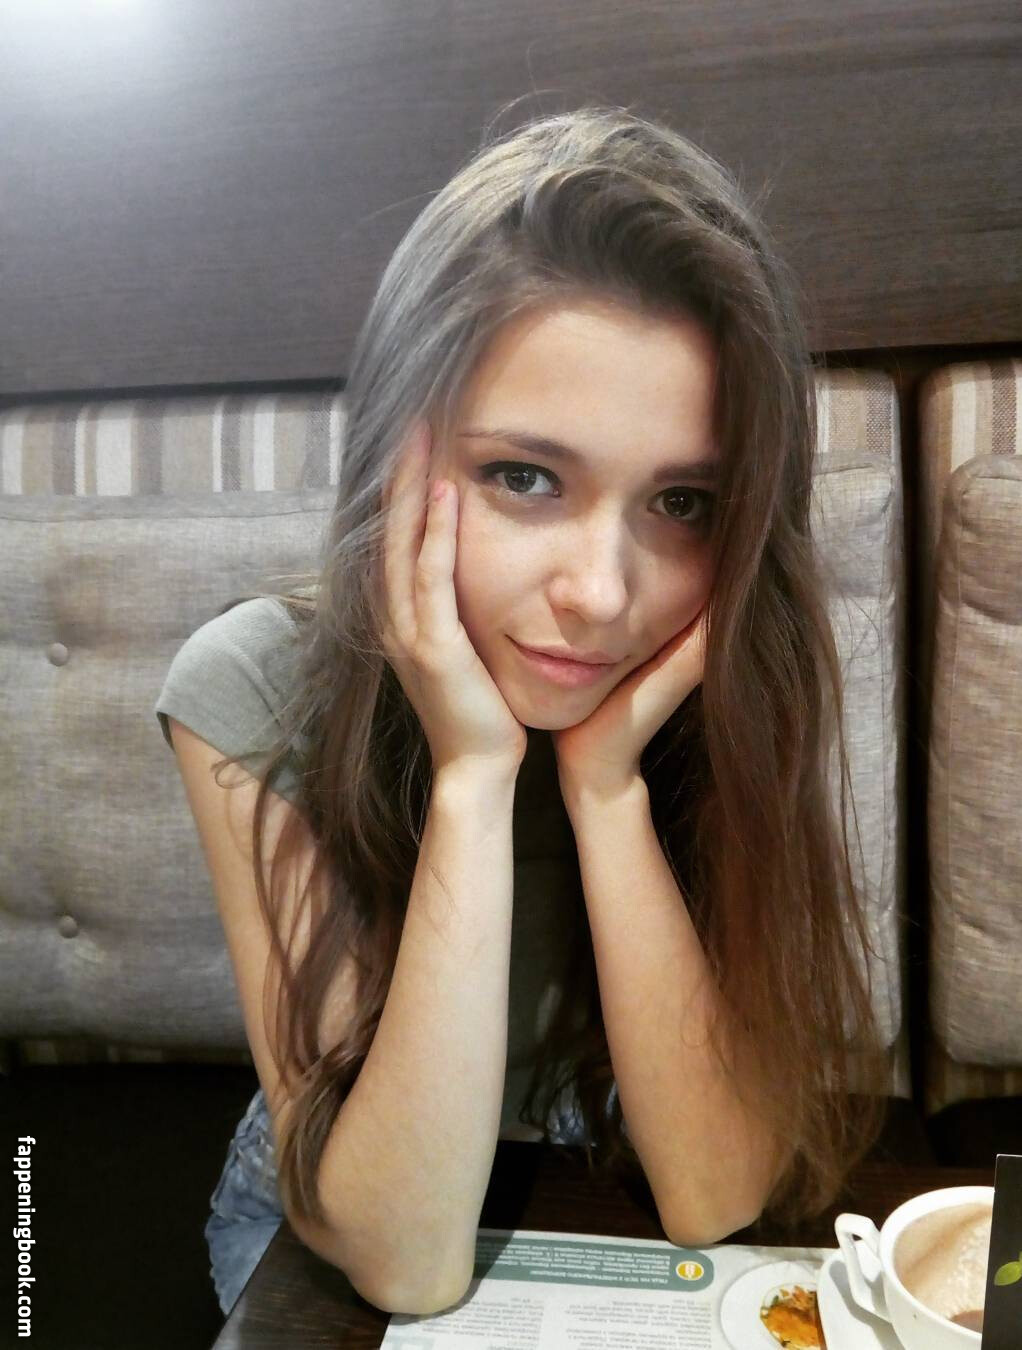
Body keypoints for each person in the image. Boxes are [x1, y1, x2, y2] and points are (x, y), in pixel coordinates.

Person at [155, 102, 891, 1320]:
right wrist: (472, 778)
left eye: (684, 504)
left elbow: (713, 1191)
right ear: (395, 462)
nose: (602, 595)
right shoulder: (254, 686)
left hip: (605, 1166)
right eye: (526, 477)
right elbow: (404, 1256)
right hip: (347, 1202)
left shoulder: (711, 671)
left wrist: (608, 791)